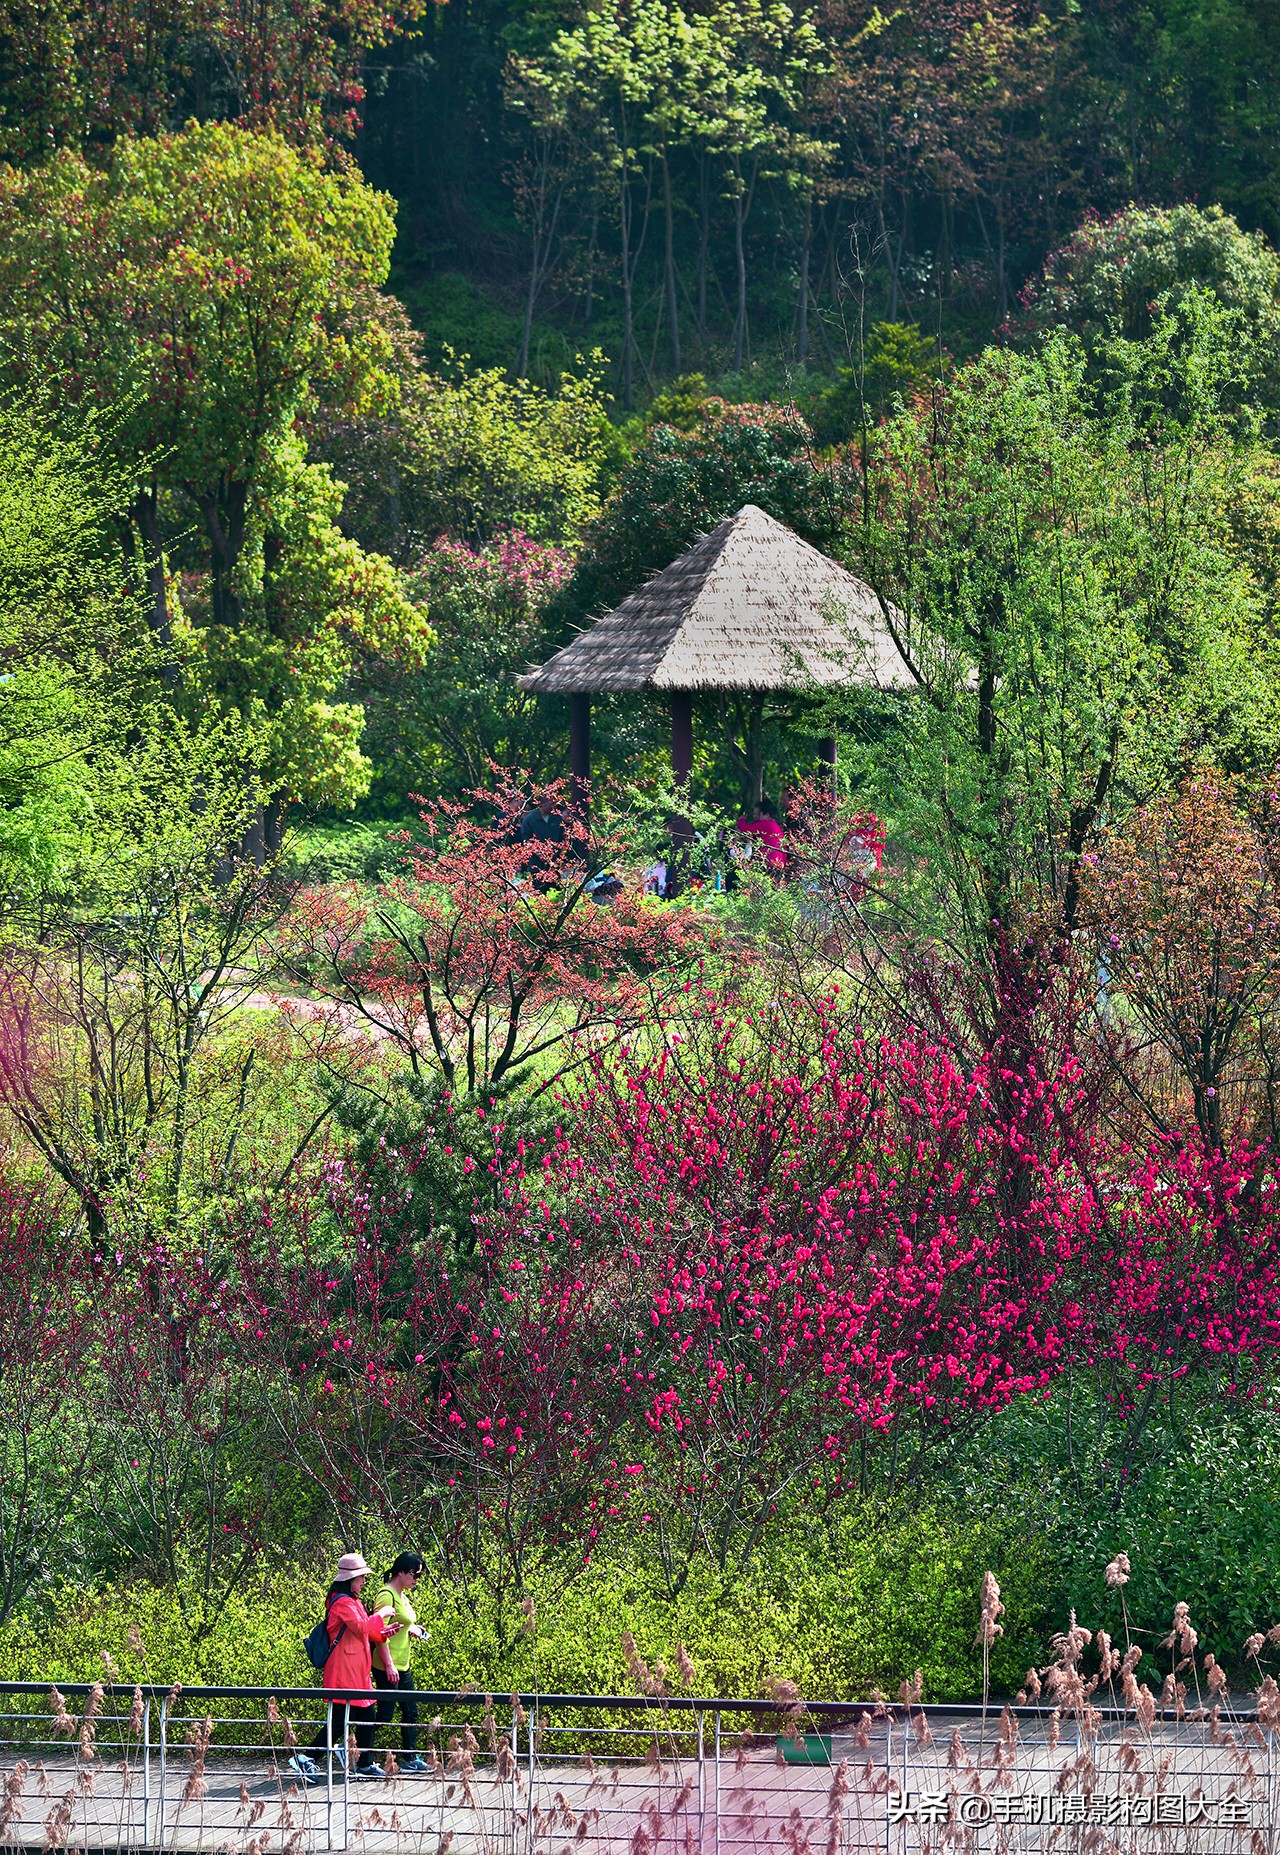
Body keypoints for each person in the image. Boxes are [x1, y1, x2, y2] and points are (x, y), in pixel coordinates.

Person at [291, 1551, 402, 1786]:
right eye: (361, 1577)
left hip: (356, 1669)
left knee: (365, 1714)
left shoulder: (353, 1600)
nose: (363, 1581)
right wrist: (381, 1614)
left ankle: (363, 1763)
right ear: (349, 1578)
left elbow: (365, 1631)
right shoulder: (341, 1602)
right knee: (342, 1718)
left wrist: (384, 1632)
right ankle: (307, 1758)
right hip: (344, 1670)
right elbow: (361, 1627)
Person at [371, 1551, 428, 1772]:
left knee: (410, 1710)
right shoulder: (387, 1595)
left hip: (403, 1663)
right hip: (388, 1664)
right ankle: (351, 1747)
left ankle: (410, 1757)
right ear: (401, 1572)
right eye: (414, 1574)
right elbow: (378, 1632)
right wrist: (388, 1665)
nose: (416, 1580)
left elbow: (400, 1622)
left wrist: (412, 1628)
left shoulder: (402, 1594)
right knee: (385, 1714)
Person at [735, 796, 786, 872]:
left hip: (769, 862)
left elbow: (746, 829)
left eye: (760, 815)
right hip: (779, 864)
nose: (757, 818)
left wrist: (742, 820)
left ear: (767, 815)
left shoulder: (766, 823)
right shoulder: (778, 828)